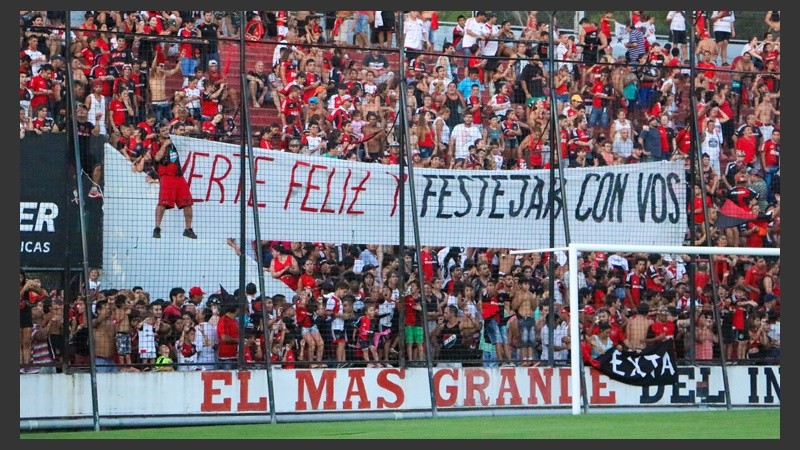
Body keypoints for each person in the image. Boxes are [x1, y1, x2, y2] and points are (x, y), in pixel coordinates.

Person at [152, 124, 196, 239]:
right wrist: (164, 145)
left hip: (178, 176)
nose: (166, 132)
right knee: (162, 202)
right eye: (163, 130)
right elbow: (157, 158)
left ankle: (188, 229)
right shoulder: (156, 144)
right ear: (158, 133)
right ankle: (157, 228)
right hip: (166, 176)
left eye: (167, 129)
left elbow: (184, 138)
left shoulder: (175, 141)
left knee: (187, 202)